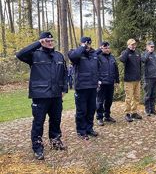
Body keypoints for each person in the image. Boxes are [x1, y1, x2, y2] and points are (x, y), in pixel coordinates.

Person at [16, 31, 68, 160]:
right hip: (40, 95)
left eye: (51, 41)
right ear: (42, 42)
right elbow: (20, 54)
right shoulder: (34, 55)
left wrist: (64, 90)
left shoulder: (59, 56)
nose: (50, 43)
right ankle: (37, 146)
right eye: (46, 40)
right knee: (38, 122)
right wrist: (38, 43)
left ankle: (55, 140)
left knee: (56, 120)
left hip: (56, 95)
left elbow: (64, 74)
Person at [68, 37, 100, 140]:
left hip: (92, 86)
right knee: (82, 110)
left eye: (89, 44)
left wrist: (98, 80)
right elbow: (73, 57)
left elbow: (97, 68)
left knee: (91, 109)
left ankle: (89, 129)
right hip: (81, 87)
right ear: (81, 44)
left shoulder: (94, 54)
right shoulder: (75, 53)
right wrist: (82, 47)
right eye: (85, 44)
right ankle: (81, 131)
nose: (87, 46)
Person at [96, 41, 120, 126]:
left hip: (110, 82)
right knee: (99, 101)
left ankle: (107, 116)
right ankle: (99, 117)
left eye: (108, 48)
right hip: (101, 83)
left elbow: (116, 69)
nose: (107, 49)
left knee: (109, 100)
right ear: (101, 48)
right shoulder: (97, 57)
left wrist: (117, 81)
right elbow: (95, 70)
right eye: (105, 48)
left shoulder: (112, 57)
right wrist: (97, 80)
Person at [119, 39, 142, 122]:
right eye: (131, 44)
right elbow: (122, 59)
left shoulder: (137, 53)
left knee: (137, 97)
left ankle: (134, 112)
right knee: (129, 97)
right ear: (128, 45)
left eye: (134, 44)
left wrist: (140, 76)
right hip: (129, 80)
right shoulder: (125, 53)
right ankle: (127, 114)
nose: (133, 46)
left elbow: (139, 65)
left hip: (137, 79)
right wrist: (128, 50)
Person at [141, 41, 156, 116]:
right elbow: (143, 60)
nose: (152, 48)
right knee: (148, 94)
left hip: (155, 77)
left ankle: (152, 109)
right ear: (147, 47)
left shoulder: (155, 54)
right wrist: (148, 52)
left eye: (153, 47)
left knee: (153, 94)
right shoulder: (144, 54)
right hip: (148, 77)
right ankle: (147, 110)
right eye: (151, 47)